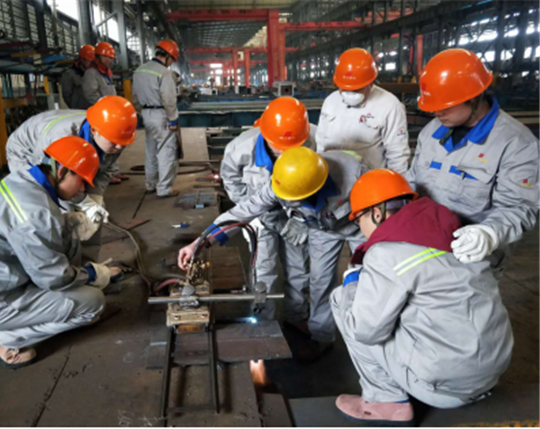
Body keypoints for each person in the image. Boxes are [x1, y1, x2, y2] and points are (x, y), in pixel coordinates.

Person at [331, 169, 513, 426]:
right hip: (492, 371)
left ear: (376, 213)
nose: (359, 228)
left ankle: (386, 401)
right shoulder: (458, 231)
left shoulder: (386, 253)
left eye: (358, 219)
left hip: (445, 389)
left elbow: (365, 331)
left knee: (343, 300)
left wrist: (352, 285)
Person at [179, 146, 368, 362]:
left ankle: (367, 341)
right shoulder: (281, 183)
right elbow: (241, 212)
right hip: (322, 229)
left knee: (365, 282)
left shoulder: (355, 174)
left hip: (361, 227)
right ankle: (322, 337)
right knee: (320, 281)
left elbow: (382, 211)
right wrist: (199, 243)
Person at [0, 137, 120, 369]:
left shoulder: (25, 180)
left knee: (68, 235)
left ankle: (63, 299)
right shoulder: (36, 214)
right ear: (61, 171)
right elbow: (54, 277)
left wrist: (69, 222)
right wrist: (92, 274)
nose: (83, 189)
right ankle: (3, 339)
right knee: (93, 304)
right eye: (81, 181)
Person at [406, 48, 539, 275]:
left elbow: (519, 207)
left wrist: (489, 234)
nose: (437, 112)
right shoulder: (431, 132)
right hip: (423, 245)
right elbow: (413, 180)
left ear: (474, 97)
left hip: (471, 257)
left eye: (445, 105)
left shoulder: (517, 143)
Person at [220, 97, 318, 323]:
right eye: (278, 148)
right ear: (264, 135)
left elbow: (319, 186)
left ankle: (297, 317)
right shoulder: (239, 150)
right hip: (258, 213)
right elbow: (232, 182)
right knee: (263, 267)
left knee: (298, 267)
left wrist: (303, 218)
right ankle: (264, 322)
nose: (284, 154)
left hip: (296, 213)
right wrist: (256, 213)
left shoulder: (317, 141)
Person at [6, 95, 137, 225]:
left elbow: (104, 169)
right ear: (94, 130)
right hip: (25, 151)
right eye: (114, 142)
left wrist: (95, 198)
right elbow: (57, 181)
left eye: (123, 142)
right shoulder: (60, 138)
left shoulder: (114, 137)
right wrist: (84, 202)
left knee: (94, 210)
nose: (119, 147)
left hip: (48, 137)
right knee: (53, 207)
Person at [317, 48, 410, 174]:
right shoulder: (330, 102)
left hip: (369, 181)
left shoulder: (390, 106)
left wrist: (397, 183)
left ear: (370, 83)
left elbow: (397, 154)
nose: (349, 94)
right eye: (344, 88)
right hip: (332, 178)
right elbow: (321, 143)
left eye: (356, 89)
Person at [132, 39, 180, 198]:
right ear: (168, 56)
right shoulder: (164, 73)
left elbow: (134, 97)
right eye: (172, 60)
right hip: (161, 115)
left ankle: (150, 184)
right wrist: (173, 119)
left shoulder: (139, 70)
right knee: (166, 151)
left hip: (146, 114)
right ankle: (164, 189)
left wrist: (142, 112)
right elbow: (168, 99)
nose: (171, 63)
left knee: (151, 150)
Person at [83, 41, 128, 184]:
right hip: (101, 115)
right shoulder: (91, 73)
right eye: (108, 58)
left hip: (109, 114)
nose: (110, 61)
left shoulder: (105, 73)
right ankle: (104, 174)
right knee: (105, 145)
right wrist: (104, 108)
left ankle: (113, 171)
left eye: (111, 58)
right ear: (99, 57)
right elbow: (91, 95)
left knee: (115, 144)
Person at [61, 45, 95, 109]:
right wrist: (75, 107)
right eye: (89, 61)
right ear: (82, 59)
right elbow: (67, 95)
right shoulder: (70, 74)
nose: (91, 64)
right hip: (80, 110)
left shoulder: (93, 73)